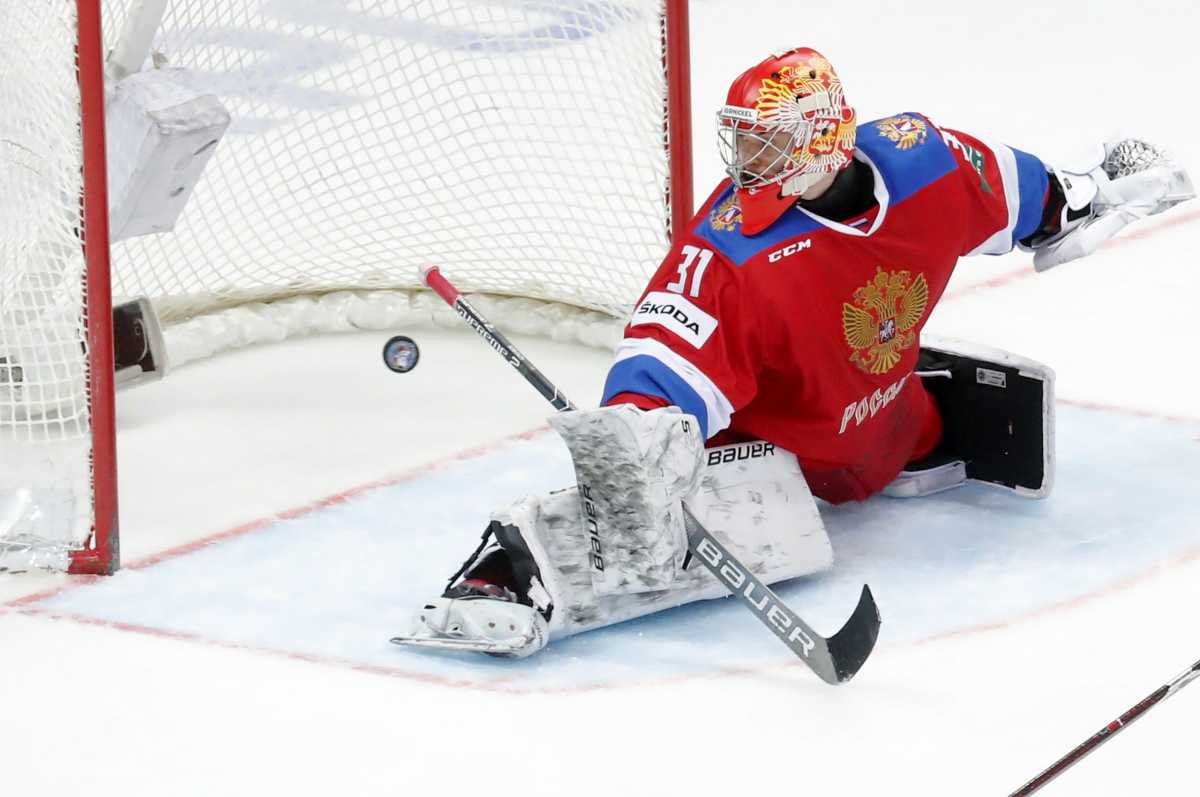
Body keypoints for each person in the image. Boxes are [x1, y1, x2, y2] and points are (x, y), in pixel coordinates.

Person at [395, 47, 1193, 658]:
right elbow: (661, 360)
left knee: (900, 414)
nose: (747, 164)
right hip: (772, 464)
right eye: (742, 142)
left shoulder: (929, 163)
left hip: (894, 431)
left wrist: (1101, 189)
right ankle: (503, 573)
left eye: (768, 144)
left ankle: (915, 434)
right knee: (642, 487)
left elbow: (1041, 201)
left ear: (825, 143)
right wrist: (637, 439)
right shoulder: (730, 256)